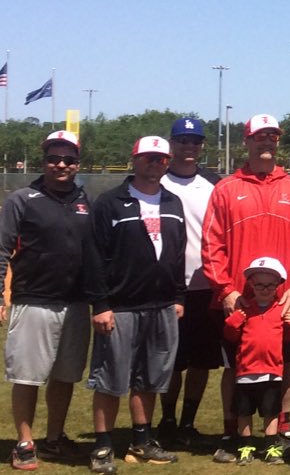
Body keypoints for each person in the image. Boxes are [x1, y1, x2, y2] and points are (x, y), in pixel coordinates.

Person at [201, 114, 290, 458]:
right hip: (238, 302)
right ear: (247, 141)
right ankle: (231, 434)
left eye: (272, 137)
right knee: (234, 368)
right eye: (259, 137)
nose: (266, 143)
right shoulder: (226, 189)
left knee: (283, 366)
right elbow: (211, 244)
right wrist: (226, 290)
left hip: (283, 302)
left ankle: (280, 430)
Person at [1, 131, 102, 470]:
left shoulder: (87, 201)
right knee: (27, 377)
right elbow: (2, 251)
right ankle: (25, 441)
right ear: (43, 161)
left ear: (77, 163)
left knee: (65, 376)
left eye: (69, 159)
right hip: (34, 301)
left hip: (75, 304)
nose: (61, 164)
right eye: (54, 158)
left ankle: (55, 438)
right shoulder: (23, 199)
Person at [86, 136, 187, 473]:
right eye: (148, 158)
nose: (154, 164)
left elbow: (176, 255)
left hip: (161, 306)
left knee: (150, 378)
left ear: (167, 162)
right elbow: (95, 257)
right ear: (134, 160)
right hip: (121, 305)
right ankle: (102, 447)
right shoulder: (111, 202)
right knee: (111, 379)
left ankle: (142, 440)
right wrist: (100, 304)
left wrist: (178, 297)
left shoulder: (172, 201)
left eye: (160, 159)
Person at [157, 117, 225, 449]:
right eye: (182, 140)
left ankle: (188, 422)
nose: (189, 146)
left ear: (201, 147)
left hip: (204, 286)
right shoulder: (157, 182)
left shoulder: (215, 184)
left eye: (195, 141)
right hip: (166, 288)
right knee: (171, 360)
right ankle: (167, 419)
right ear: (172, 143)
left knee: (201, 360)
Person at [221, 258, 290, 465]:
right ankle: (245, 446)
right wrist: (232, 323)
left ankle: (271, 446)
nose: (265, 289)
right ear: (251, 285)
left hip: (272, 372)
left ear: (278, 286)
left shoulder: (281, 310)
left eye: (270, 285)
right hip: (245, 373)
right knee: (243, 412)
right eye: (259, 285)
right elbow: (230, 337)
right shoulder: (244, 310)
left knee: (271, 412)